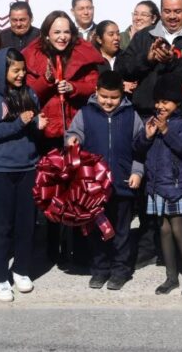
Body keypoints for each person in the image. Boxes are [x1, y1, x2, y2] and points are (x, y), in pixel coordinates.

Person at [115, 0, 182, 269]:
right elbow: (123, 67)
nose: (172, 17)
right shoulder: (144, 36)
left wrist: (175, 61)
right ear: (161, 11)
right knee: (148, 182)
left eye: (178, 11)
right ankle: (150, 246)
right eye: (168, 11)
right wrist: (147, 59)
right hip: (149, 115)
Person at [0, 48, 47, 302]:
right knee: (2, 226)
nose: (20, 75)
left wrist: (39, 126)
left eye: (22, 69)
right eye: (14, 70)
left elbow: (33, 131)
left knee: (26, 224)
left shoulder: (30, 94)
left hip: (28, 167)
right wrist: (20, 123)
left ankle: (21, 269)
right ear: (1, 70)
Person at [65, 70, 144, 291]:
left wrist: (137, 172)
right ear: (96, 92)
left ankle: (120, 271)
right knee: (97, 231)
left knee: (121, 232)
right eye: (104, 96)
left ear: (122, 95)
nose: (108, 102)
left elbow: (140, 148)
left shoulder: (131, 116)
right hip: (95, 186)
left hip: (123, 184)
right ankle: (99, 269)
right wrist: (71, 140)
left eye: (114, 97)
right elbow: (73, 134)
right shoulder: (85, 114)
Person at [133, 74, 182, 296]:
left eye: (166, 102)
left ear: (178, 102)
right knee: (163, 230)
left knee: (179, 229)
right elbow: (138, 148)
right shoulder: (150, 121)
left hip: (176, 185)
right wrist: (148, 135)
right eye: (158, 101)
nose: (160, 106)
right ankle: (171, 277)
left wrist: (166, 132)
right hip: (155, 186)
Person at [23, 10, 104, 146]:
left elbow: (94, 86)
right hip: (44, 130)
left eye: (66, 32)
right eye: (57, 32)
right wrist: (46, 80)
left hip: (77, 128)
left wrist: (74, 87)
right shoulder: (33, 56)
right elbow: (27, 95)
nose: (62, 37)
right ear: (47, 34)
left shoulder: (83, 53)